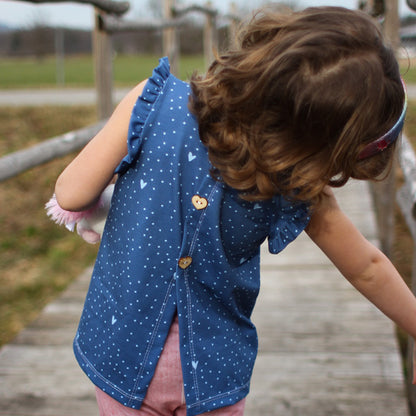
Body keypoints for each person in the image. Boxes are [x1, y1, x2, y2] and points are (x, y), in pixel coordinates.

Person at [52, 6, 416, 416]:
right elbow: (366, 266)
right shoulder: (298, 186)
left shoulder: (153, 104)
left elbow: (70, 193)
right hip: (212, 376)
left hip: (119, 355)